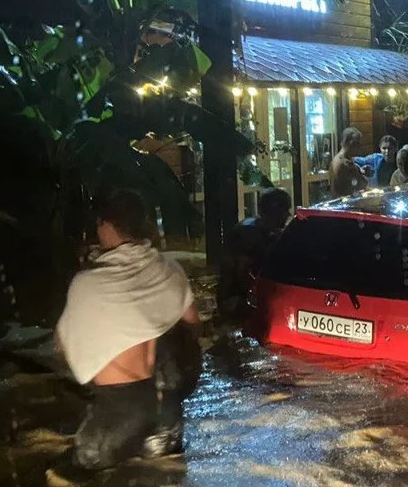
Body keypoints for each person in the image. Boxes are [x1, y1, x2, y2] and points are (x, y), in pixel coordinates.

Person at [54, 190, 201, 471]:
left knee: (72, 471)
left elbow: (62, 346)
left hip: (119, 412)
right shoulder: (169, 269)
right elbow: (194, 326)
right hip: (167, 411)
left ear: (107, 226)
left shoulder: (88, 283)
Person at [219, 187, 292, 322]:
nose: (288, 214)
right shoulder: (249, 235)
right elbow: (244, 275)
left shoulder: (258, 229)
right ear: (274, 212)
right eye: (285, 210)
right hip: (238, 302)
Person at [329, 127, 369, 197]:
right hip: (346, 203)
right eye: (357, 143)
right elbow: (357, 185)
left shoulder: (343, 159)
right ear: (349, 143)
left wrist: (360, 171)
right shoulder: (343, 163)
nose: (359, 147)